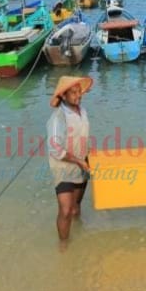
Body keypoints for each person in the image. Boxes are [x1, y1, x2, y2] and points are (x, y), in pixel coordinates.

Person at [47, 76, 93, 243]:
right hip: (63, 168)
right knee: (65, 210)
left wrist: (89, 157)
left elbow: (83, 137)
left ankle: (78, 232)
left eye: (79, 91)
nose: (78, 95)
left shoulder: (83, 111)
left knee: (75, 208)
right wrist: (79, 161)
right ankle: (64, 245)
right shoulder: (58, 117)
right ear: (64, 96)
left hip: (82, 165)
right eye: (73, 92)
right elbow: (55, 149)